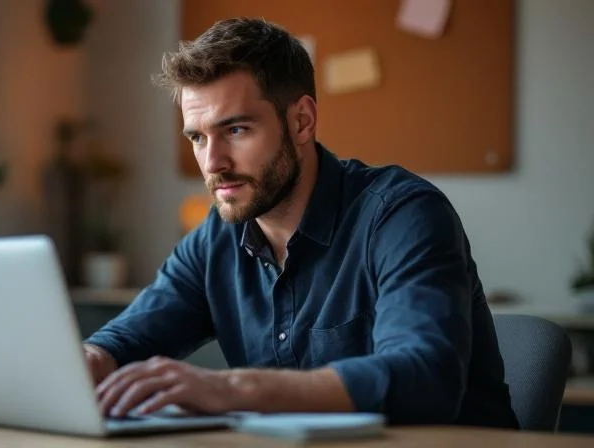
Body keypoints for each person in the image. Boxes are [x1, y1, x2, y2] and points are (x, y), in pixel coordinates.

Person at [82, 17, 520, 429]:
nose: (212, 163)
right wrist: (86, 362)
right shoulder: (216, 241)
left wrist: (233, 388)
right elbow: (121, 344)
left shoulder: (403, 215)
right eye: (198, 137)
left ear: (301, 121)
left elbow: (426, 380)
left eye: (235, 130)